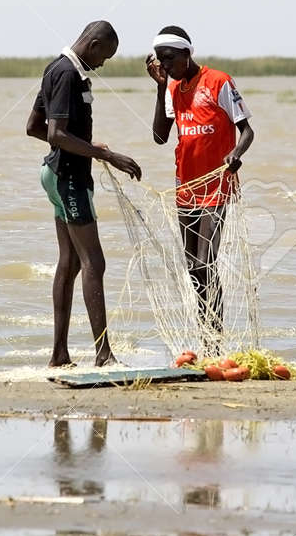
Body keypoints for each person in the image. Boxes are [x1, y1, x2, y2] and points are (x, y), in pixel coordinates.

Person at [26, 20, 142, 367]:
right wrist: (107, 155)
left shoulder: (55, 68)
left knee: (71, 261)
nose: (103, 64)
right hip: (69, 178)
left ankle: (60, 355)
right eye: (104, 56)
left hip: (56, 174)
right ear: (92, 44)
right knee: (95, 262)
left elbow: (35, 127)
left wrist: (88, 146)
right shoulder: (67, 74)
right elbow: (55, 133)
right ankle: (103, 355)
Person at [146, 25, 254, 354]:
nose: (165, 65)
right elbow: (160, 136)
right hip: (185, 187)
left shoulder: (219, 82)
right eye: (160, 61)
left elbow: (247, 131)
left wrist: (236, 154)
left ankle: (213, 343)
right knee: (193, 268)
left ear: (187, 54)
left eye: (170, 59)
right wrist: (162, 86)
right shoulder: (172, 86)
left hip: (217, 186)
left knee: (207, 262)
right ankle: (204, 334)